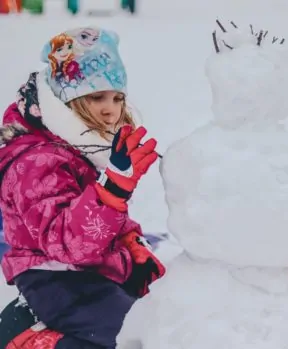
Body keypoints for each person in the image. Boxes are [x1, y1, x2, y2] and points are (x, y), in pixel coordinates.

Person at [0, 26, 166, 348]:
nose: (110, 109)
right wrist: (112, 192)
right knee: (134, 336)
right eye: (96, 96)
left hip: (90, 270)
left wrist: (131, 242)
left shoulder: (81, 146)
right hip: (54, 278)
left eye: (117, 98)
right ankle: (34, 341)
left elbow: (99, 217)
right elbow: (66, 242)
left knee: (158, 313)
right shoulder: (35, 162)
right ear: (67, 98)